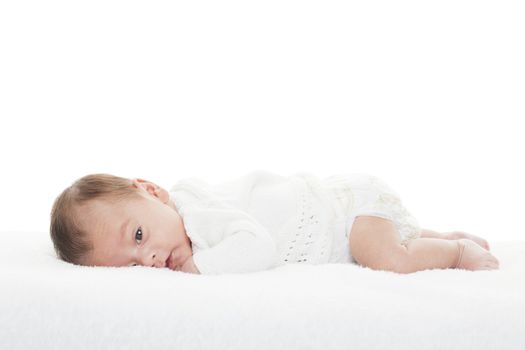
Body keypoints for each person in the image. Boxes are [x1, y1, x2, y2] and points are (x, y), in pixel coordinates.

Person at [49, 170, 499, 275]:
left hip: (346, 211)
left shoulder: (197, 213)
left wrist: (197, 270)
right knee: (389, 240)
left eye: (139, 236)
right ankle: (445, 236)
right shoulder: (183, 229)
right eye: (131, 265)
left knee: (386, 258)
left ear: (151, 191)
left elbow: (257, 246)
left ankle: (457, 253)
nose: (147, 258)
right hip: (348, 222)